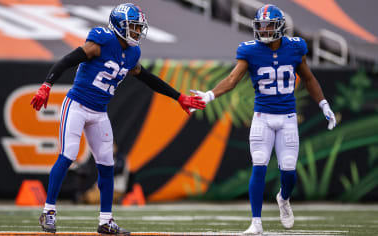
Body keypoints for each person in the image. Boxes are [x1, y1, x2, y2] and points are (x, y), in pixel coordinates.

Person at [30, 3, 206, 234]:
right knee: (68, 154)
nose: (136, 32)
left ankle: (106, 221)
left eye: (138, 28)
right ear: (118, 26)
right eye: (132, 27)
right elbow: (68, 60)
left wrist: (179, 97)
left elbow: (147, 77)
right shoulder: (101, 41)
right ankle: (49, 211)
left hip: (99, 112)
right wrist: (47, 85)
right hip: (77, 105)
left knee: (107, 164)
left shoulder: (133, 53)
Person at [190, 4, 336, 235]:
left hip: (287, 118)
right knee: (259, 165)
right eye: (261, 26)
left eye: (269, 26)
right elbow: (231, 79)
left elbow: (308, 79)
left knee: (289, 172)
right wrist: (208, 96)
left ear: (280, 27)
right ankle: (255, 222)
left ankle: (283, 198)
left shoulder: (296, 47)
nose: (264, 30)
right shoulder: (250, 50)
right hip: (262, 118)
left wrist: (323, 104)